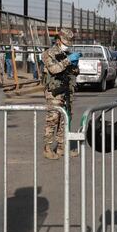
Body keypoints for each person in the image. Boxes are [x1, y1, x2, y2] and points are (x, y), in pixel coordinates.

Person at [42, 29, 81, 160]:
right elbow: (53, 69)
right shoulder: (49, 53)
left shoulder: (67, 53)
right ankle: (47, 148)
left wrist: (75, 66)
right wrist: (68, 61)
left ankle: (61, 147)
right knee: (53, 119)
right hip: (54, 91)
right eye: (65, 42)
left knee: (65, 119)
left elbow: (74, 72)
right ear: (58, 40)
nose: (67, 45)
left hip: (66, 91)